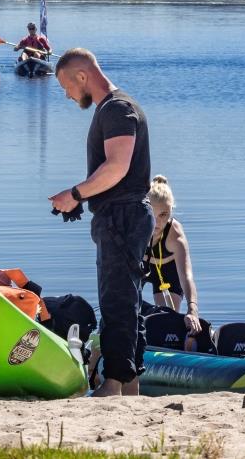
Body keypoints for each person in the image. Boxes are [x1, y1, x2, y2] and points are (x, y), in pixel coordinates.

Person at [49, 48, 153, 397]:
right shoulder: (114, 109)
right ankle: (129, 383)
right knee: (128, 301)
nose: (66, 94)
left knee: (117, 301)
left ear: (82, 76)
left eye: (66, 85)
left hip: (123, 216)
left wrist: (74, 194)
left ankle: (112, 385)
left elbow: (117, 167)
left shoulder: (118, 109)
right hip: (122, 214)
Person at [143, 175, 202, 336]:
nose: (157, 222)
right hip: (141, 268)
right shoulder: (136, 226)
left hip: (168, 271)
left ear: (171, 211)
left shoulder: (175, 234)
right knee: (126, 309)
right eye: (152, 214)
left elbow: (187, 277)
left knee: (166, 318)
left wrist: (192, 309)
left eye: (164, 215)